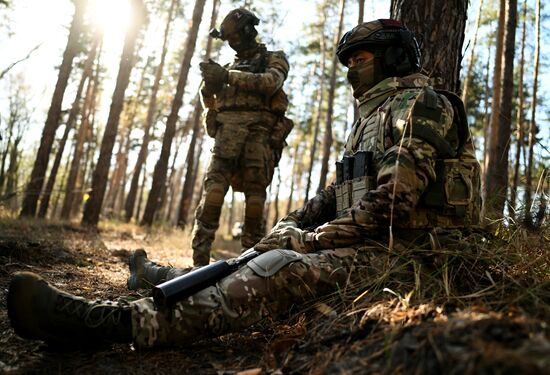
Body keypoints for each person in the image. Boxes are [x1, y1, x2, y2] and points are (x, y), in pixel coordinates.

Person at [7, 19, 482, 349]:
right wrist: (294, 221)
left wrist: (312, 239)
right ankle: (161, 280)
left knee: (279, 268)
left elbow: (394, 205)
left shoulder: (422, 105)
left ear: (393, 58)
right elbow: (337, 194)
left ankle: (108, 323)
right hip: (376, 246)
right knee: (258, 253)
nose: (351, 69)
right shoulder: (373, 117)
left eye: (359, 58)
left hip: (414, 257)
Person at [192, 8, 292, 266]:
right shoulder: (227, 68)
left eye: (236, 36)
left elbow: (271, 82)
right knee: (212, 196)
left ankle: (251, 264)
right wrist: (209, 89)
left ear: (249, 31)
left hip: (258, 135)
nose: (234, 43)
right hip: (226, 136)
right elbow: (210, 103)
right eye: (229, 39)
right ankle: (198, 262)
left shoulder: (273, 59)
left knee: (255, 201)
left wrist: (226, 77)